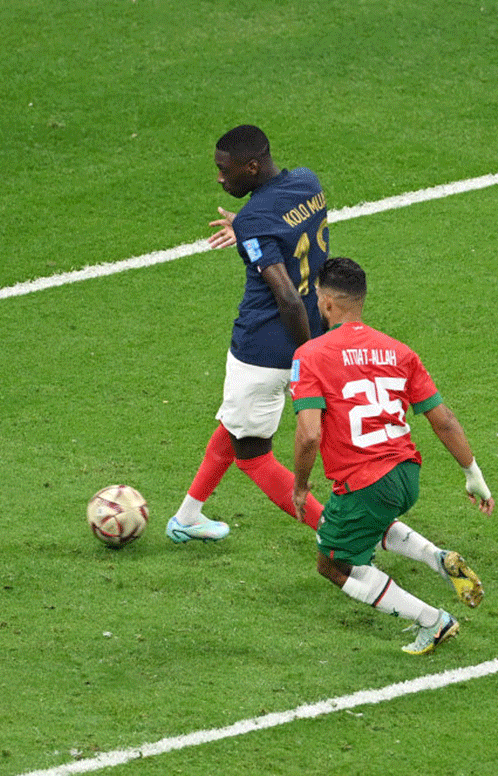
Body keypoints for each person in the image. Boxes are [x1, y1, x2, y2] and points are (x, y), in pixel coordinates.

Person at [290, 257, 494, 654]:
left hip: (365, 480)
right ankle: (437, 558)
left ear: (328, 303)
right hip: (406, 474)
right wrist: (474, 474)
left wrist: (299, 486)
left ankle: (433, 621)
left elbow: (309, 434)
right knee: (368, 522)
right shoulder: (399, 351)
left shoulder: (310, 356)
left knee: (331, 562)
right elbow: (445, 421)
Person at [166, 124, 329, 543]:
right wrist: (250, 225)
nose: (220, 178)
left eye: (226, 170)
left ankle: (337, 531)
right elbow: (288, 230)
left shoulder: (257, 219)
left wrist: (305, 358)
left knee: (253, 456)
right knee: (235, 421)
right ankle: (187, 517)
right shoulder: (308, 182)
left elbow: (288, 297)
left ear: (252, 167)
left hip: (263, 349)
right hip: (315, 328)